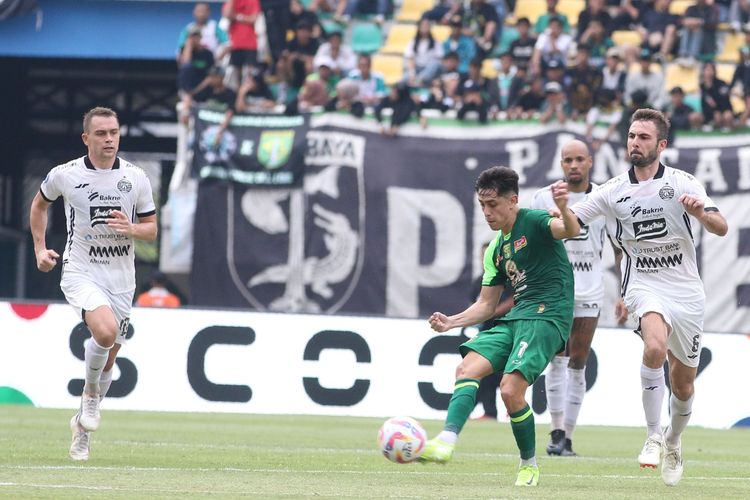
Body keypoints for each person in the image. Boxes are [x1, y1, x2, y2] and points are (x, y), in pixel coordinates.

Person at [570, 109, 728, 486]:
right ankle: (653, 434)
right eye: (631, 136)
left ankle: (673, 440)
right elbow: (571, 223)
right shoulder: (612, 191)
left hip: (686, 290)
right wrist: (550, 216)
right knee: (654, 347)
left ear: (661, 145)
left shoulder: (683, 183)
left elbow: (721, 226)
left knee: (684, 383)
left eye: (643, 137)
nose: (634, 143)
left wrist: (701, 214)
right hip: (643, 284)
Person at [419, 166, 580, 487]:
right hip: (518, 317)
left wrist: (563, 206)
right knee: (466, 369)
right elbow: (486, 305)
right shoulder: (496, 248)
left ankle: (529, 465)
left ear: (513, 200)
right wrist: (451, 321)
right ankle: (446, 442)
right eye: (482, 205)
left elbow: (569, 231)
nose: (487, 212)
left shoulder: (533, 220)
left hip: (548, 316)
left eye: (493, 204)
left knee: (510, 390)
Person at [29, 107, 157, 461]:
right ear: (86, 138)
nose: (109, 139)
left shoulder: (137, 178)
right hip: (80, 269)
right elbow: (39, 205)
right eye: (101, 134)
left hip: (121, 278)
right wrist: (40, 249)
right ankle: (88, 398)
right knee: (104, 332)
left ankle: (81, 431)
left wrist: (131, 229)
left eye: (114, 132)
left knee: (111, 354)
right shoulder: (66, 175)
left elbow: (151, 229)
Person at [531, 140, 609, 457]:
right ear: (561, 164)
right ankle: (556, 431)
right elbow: (533, 241)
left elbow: (618, 244)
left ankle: (570, 437)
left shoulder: (605, 197)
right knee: (557, 359)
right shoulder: (542, 197)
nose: (573, 165)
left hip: (590, 289)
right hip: (557, 290)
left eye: (579, 159)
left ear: (590, 162)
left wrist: (626, 292)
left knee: (579, 362)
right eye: (567, 160)